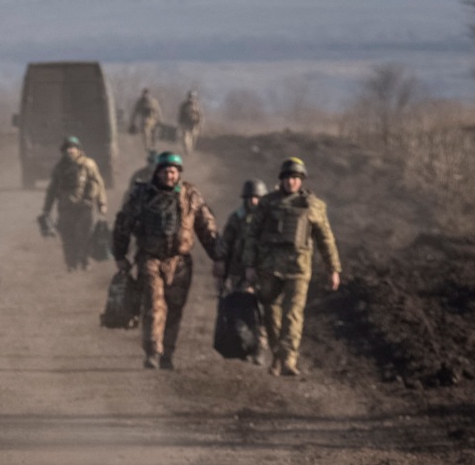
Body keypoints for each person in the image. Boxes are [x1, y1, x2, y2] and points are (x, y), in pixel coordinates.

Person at [112, 151, 220, 369]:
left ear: (179, 173)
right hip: (150, 259)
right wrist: (120, 255)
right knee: (153, 305)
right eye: (165, 171)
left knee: (174, 309)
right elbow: (123, 224)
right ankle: (153, 351)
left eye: (173, 171)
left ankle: (168, 353)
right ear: (157, 173)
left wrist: (219, 257)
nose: (169, 176)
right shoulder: (142, 195)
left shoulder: (191, 195)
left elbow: (206, 227)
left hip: (179, 263)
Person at [242, 157, 341, 376]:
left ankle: (289, 359)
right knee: (271, 313)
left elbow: (326, 239)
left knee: (293, 314)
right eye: (287, 178)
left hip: (299, 268)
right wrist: (249, 265)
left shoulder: (313, 206)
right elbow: (252, 235)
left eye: (296, 178)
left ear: (302, 181)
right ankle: (277, 356)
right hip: (269, 267)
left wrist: (333, 269)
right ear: (281, 180)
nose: (291, 183)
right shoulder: (267, 204)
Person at [213, 178, 271, 363]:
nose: (253, 202)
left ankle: (260, 348)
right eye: (250, 198)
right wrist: (221, 262)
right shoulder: (236, 218)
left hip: (262, 271)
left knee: (261, 311)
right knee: (239, 309)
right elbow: (226, 242)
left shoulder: (269, 219)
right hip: (238, 270)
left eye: (257, 198)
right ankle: (242, 345)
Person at [41, 136, 108, 271]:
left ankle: (84, 260)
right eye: (67, 148)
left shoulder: (88, 165)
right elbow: (52, 190)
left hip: (85, 207)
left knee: (83, 235)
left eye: (73, 148)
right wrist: (46, 209)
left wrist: (102, 203)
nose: (70, 151)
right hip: (65, 208)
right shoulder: (59, 168)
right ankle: (71, 263)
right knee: (67, 237)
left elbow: (98, 184)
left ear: (78, 150)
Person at [177, 90, 203, 154]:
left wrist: (200, 124)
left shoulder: (197, 106)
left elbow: (200, 115)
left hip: (195, 124)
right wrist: (180, 122)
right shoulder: (184, 105)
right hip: (186, 123)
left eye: (193, 97)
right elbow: (180, 114)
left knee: (193, 137)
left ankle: (190, 148)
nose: (191, 98)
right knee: (185, 137)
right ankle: (187, 149)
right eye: (190, 97)